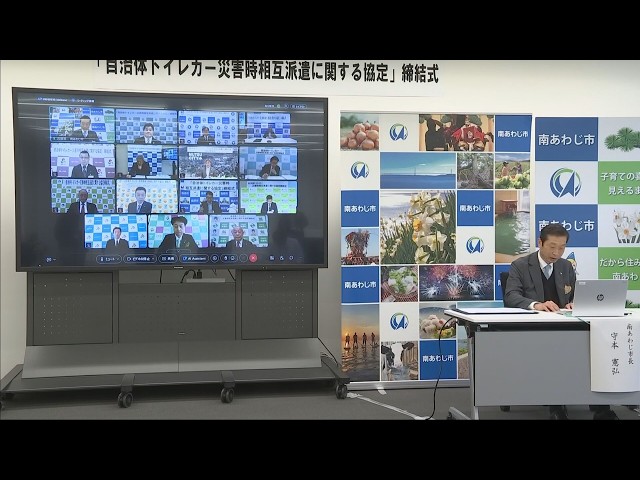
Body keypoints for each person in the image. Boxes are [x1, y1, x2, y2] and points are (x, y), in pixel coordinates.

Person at [504, 223, 618, 421]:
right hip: (535, 329)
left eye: (562, 247)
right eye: (552, 247)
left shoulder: (566, 266)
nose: (557, 253)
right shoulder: (520, 265)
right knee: (555, 351)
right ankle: (557, 406)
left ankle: (601, 407)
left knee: (595, 347)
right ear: (540, 243)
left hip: (566, 326)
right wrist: (536, 305)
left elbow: (574, 295)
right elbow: (511, 296)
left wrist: (575, 303)